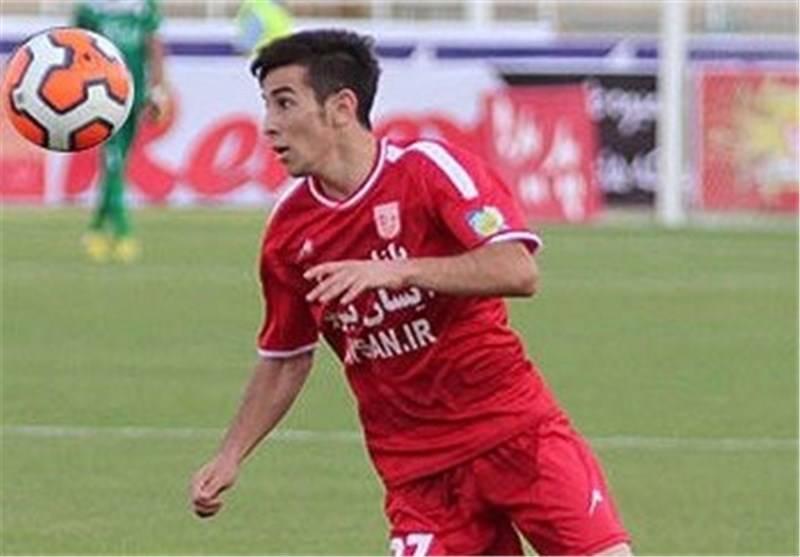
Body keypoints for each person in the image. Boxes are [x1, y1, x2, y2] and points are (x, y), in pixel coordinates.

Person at [190, 29, 633, 556]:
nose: (269, 125)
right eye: (266, 105)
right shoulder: (289, 232)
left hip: (517, 435)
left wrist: (397, 272)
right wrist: (231, 455)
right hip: (419, 476)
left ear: (341, 107)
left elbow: (518, 270)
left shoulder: (428, 171)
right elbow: (286, 358)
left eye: (284, 103)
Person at [73, 0, 169, 263]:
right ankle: (123, 230)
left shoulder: (145, 6)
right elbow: (76, 50)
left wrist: (158, 88)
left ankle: (96, 227)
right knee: (113, 160)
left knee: (119, 162)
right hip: (101, 96)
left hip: (134, 94)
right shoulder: (90, 8)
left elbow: (154, 47)